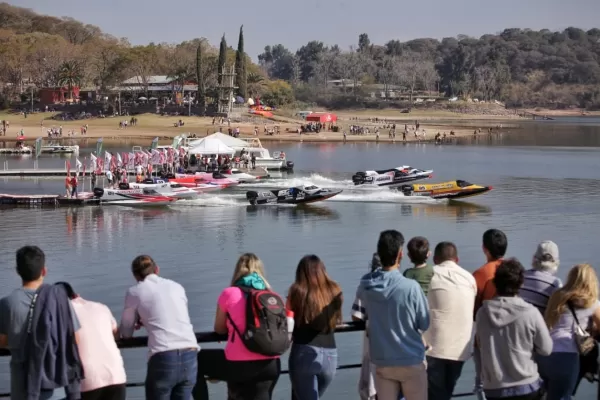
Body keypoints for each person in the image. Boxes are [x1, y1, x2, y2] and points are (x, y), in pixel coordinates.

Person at [193, 253, 281, 400]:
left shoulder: (229, 293)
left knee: (195, 360)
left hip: (239, 365)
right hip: (271, 365)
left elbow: (219, 329)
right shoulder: (272, 296)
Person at [0, 246, 82, 400]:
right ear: (44, 271)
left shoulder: (7, 303)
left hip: (22, 386)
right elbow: (75, 339)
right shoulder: (60, 300)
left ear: (17, 271)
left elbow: (2, 341)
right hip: (55, 383)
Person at [356, 230, 430, 400]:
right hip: (410, 358)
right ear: (400, 254)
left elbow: (361, 311)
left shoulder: (367, 285)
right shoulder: (411, 287)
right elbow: (424, 323)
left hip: (382, 360)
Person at [119, 255, 198, 400]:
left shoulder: (134, 292)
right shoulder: (177, 286)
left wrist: (142, 319)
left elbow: (126, 332)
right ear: (157, 269)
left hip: (163, 356)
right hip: (190, 353)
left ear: (135, 276)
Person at [475, 258, 552, 400]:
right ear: (521, 283)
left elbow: (480, 345)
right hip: (527, 386)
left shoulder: (482, 313)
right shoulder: (531, 313)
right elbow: (546, 349)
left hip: (494, 389)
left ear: (495, 283)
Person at [539, 264, 600, 400]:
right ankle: (590, 372)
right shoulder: (592, 302)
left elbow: (548, 322)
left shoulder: (557, 296)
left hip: (544, 355)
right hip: (566, 357)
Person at [424, 242, 476, 400]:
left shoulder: (430, 274)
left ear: (435, 259)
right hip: (461, 349)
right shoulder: (469, 278)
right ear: (457, 259)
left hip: (435, 348)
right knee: (446, 392)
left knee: (436, 394)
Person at [287, 255, 343, 400]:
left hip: (304, 353)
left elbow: (288, 320)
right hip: (331, 357)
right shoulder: (335, 290)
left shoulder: (296, 291)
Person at [62, 282, 127, 400]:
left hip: (88, 380)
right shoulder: (101, 307)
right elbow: (115, 333)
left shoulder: (63, 314)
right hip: (116, 375)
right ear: (76, 295)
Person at [472, 229, 508, 399]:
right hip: (511, 336)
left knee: (482, 382)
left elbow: (474, 309)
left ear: (484, 248)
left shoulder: (481, 274)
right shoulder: (514, 270)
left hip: (486, 338)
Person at [519, 241, 562, 315]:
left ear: (534, 258)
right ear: (556, 262)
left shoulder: (521, 276)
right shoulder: (555, 284)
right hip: (538, 325)